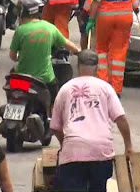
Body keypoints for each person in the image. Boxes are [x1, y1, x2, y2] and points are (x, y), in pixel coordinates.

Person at [51, 50, 133, 192]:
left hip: (73, 152)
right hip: (101, 151)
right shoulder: (106, 88)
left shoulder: (65, 89)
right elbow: (121, 119)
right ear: (97, 67)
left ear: (78, 66)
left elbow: (55, 126)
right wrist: (128, 146)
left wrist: (65, 143)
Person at [85, 0, 140, 95]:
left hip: (105, 18)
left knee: (101, 50)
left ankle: (103, 85)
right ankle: (116, 89)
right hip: (124, 18)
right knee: (119, 53)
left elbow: (95, 1)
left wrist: (91, 20)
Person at [9, 0, 81, 103]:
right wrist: (80, 53)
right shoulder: (50, 28)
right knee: (55, 102)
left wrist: (22, 57)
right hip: (45, 80)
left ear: (23, 13)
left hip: (22, 79)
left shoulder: (20, 30)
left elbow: (13, 56)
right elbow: (68, 44)